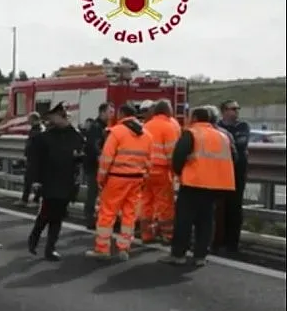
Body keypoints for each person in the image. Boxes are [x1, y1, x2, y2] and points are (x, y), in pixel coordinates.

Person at [159, 106, 237, 266]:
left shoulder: (192, 133)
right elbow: (234, 157)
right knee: (206, 221)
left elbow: (178, 158)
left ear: (194, 118)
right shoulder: (223, 136)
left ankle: (178, 254)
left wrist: (181, 173)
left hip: (193, 183)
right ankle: (200, 256)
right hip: (214, 186)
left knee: (184, 220)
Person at [86, 103, 154, 261]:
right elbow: (149, 161)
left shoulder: (116, 132)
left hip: (117, 178)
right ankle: (124, 248)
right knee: (129, 215)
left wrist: (101, 179)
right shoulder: (147, 135)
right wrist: (144, 178)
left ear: (122, 114)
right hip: (136, 179)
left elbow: (106, 159)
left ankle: (102, 248)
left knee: (107, 213)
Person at [26, 102, 86, 261]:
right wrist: (36, 180)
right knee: (46, 213)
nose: (52, 119)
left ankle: (50, 248)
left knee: (58, 216)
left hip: (66, 180)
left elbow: (80, 158)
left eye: (55, 116)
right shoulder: (44, 137)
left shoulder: (76, 136)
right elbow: (35, 160)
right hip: (49, 180)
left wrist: (78, 168)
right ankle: (34, 238)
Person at [140, 99, 181, 243]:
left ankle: (146, 234)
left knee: (146, 202)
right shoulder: (168, 127)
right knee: (165, 204)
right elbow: (171, 154)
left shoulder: (146, 126)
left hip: (145, 170)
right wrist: (176, 173)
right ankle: (167, 235)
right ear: (167, 111)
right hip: (161, 171)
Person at [215, 99, 250, 253]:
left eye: (237, 108)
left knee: (235, 207)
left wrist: (226, 140)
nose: (236, 111)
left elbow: (241, 143)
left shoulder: (243, 126)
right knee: (220, 207)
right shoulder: (217, 126)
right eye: (233, 109)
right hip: (220, 171)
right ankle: (218, 240)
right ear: (224, 111)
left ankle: (232, 242)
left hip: (238, 171)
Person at [83, 102, 112, 227]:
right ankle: (89, 217)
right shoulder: (96, 127)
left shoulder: (104, 126)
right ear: (102, 112)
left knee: (98, 192)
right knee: (93, 192)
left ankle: (96, 215)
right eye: (109, 112)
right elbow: (94, 146)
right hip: (94, 164)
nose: (112, 114)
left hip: (99, 165)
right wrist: (101, 158)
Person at [16, 112, 45, 208]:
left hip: (37, 159)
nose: (28, 121)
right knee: (29, 179)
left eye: (30, 119)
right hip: (33, 158)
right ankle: (26, 199)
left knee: (36, 180)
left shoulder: (39, 130)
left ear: (34, 119)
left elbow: (36, 145)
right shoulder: (36, 129)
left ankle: (35, 200)